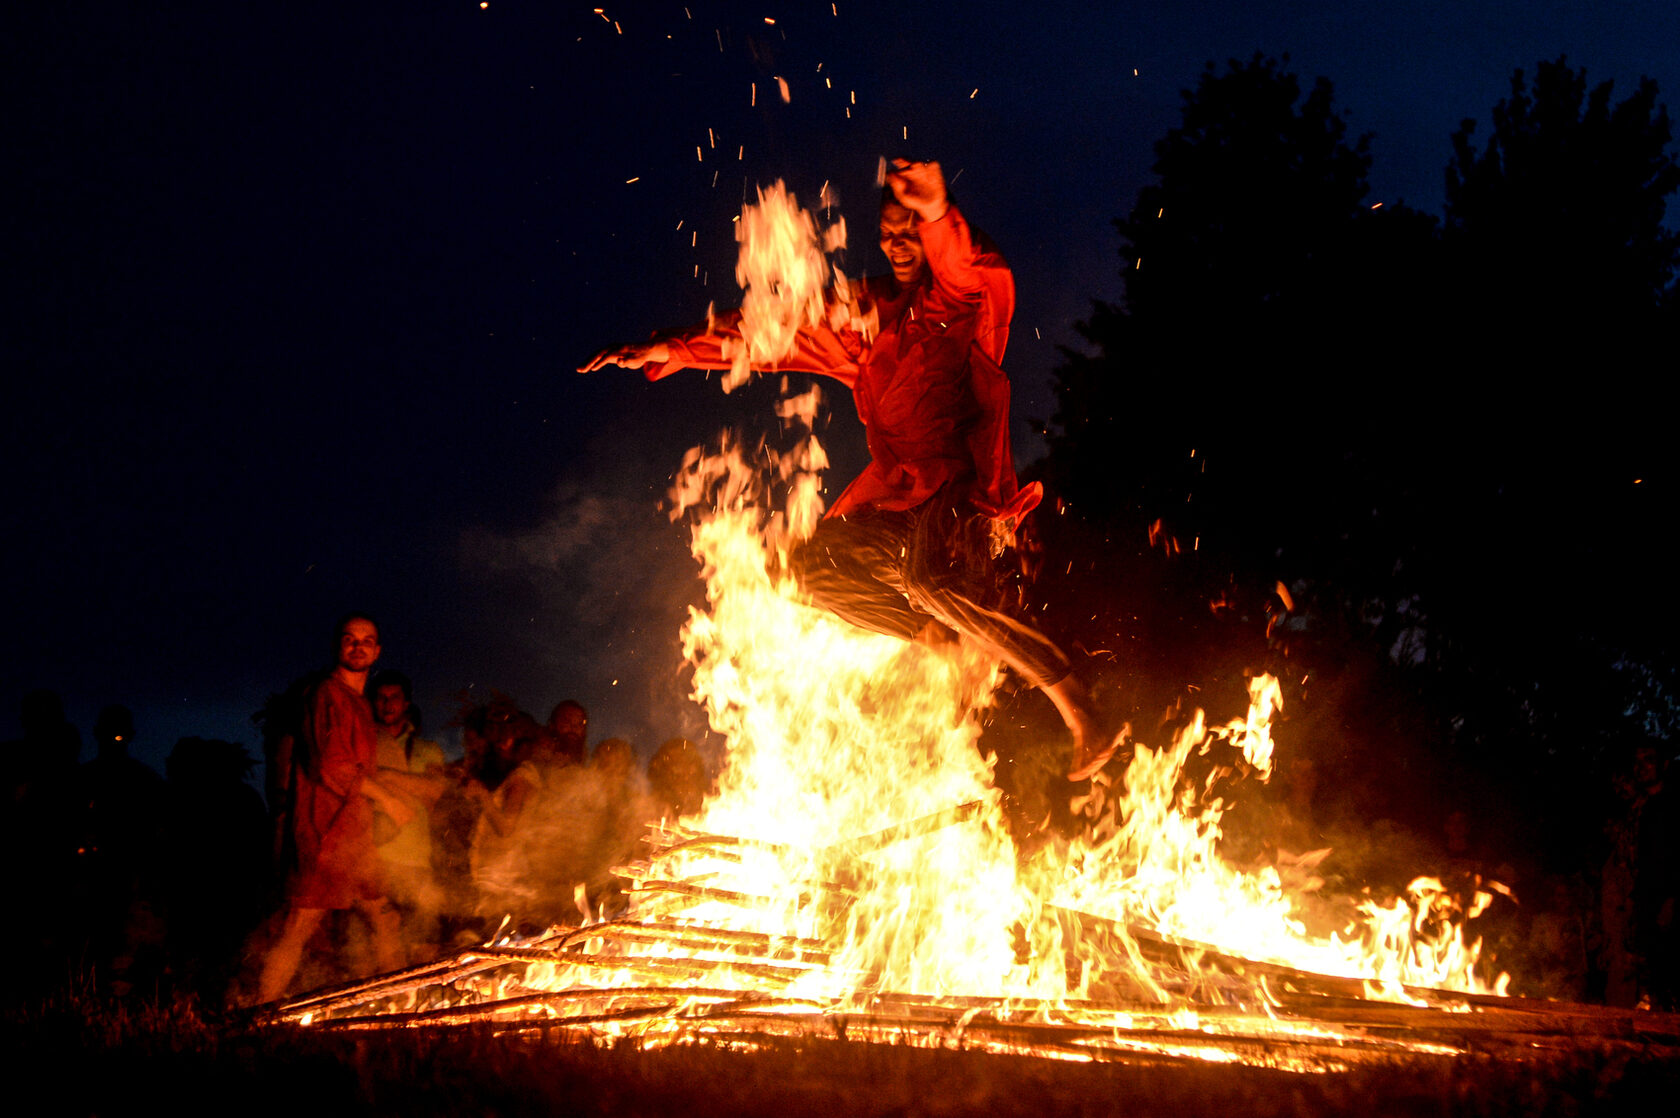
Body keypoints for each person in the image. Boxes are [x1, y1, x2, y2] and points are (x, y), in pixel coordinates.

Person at [582, 159, 1122, 779]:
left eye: (909, 232)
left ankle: (1078, 705)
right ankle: (934, 637)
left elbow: (973, 268)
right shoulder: (867, 315)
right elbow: (772, 332)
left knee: (931, 583)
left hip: (962, 494)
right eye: (889, 234)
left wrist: (939, 213)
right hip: (898, 501)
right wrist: (673, 348)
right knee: (801, 570)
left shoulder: (956, 303)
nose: (897, 245)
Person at [255, 614, 421, 1003]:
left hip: (354, 836)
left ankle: (401, 1007)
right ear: (337, 646)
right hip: (324, 834)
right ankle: (257, 1014)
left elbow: (359, 771)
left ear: (377, 651)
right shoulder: (325, 696)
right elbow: (332, 766)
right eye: (350, 639)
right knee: (299, 925)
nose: (358, 646)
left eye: (367, 640)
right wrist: (389, 800)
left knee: (386, 919)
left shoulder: (360, 705)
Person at [370, 670, 447, 962]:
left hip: (417, 863)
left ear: (406, 704)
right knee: (375, 950)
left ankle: (428, 1007)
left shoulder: (428, 750)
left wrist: (384, 775)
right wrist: (410, 783)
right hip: (373, 862)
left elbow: (434, 792)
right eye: (381, 697)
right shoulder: (364, 744)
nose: (387, 704)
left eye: (395, 698)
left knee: (424, 949)